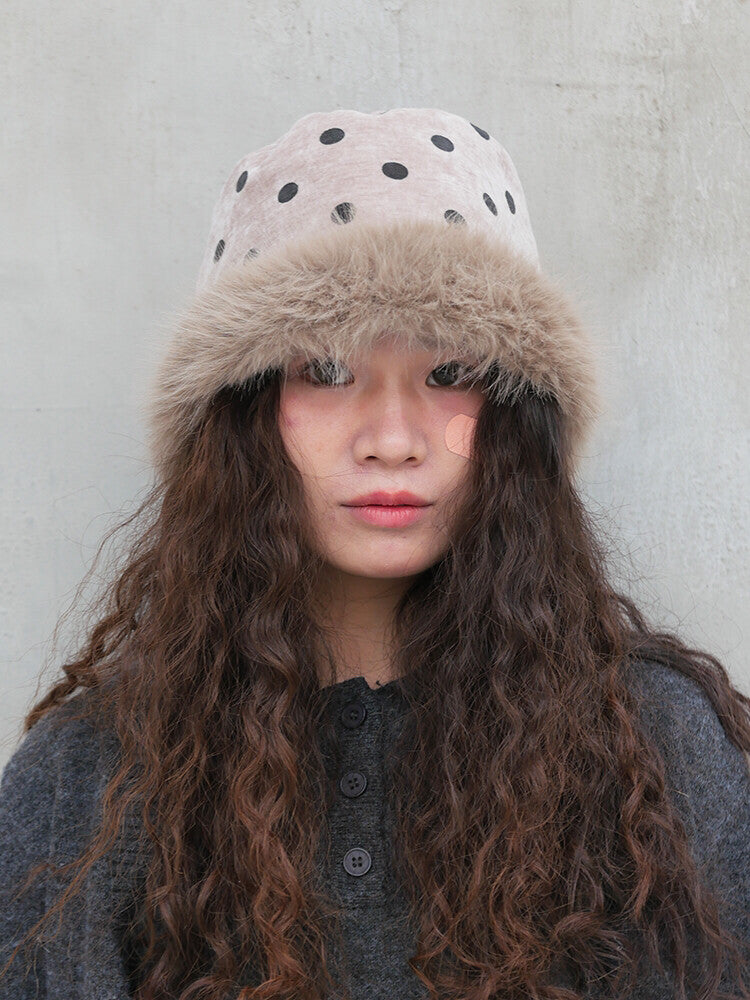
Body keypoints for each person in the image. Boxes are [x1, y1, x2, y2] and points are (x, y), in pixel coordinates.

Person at [0, 107, 748, 1000]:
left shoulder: (656, 752)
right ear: (242, 417)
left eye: (449, 373)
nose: (392, 440)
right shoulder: (89, 778)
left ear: (516, 423)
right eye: (325, 370)